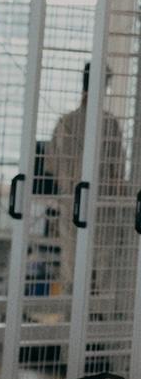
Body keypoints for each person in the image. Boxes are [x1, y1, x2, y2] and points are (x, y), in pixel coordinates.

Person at [47, 62, 128, 295]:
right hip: (102, 206)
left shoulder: (65, 123)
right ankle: (96, 315)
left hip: (70, 203)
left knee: (72, 263)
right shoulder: (110, 124)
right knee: (103, 264)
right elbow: (118, 173)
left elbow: (51, 165)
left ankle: (70, 317)